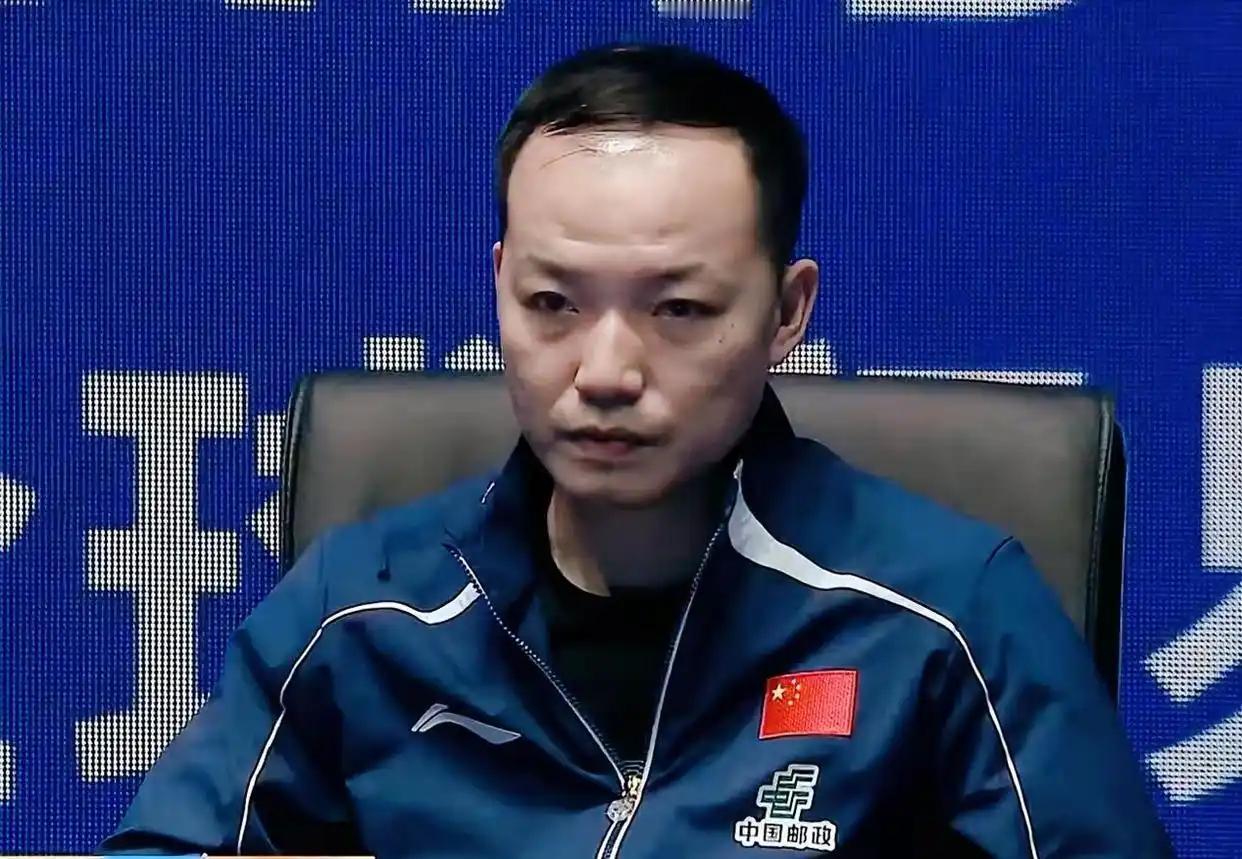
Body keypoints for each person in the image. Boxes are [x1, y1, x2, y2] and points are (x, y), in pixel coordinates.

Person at [103, 43, 1172, 858]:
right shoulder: (362, 610)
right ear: (498, 286)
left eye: (678, 309)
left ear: (786, 312)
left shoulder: (948, 616)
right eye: (553, 303)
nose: (606, 369)